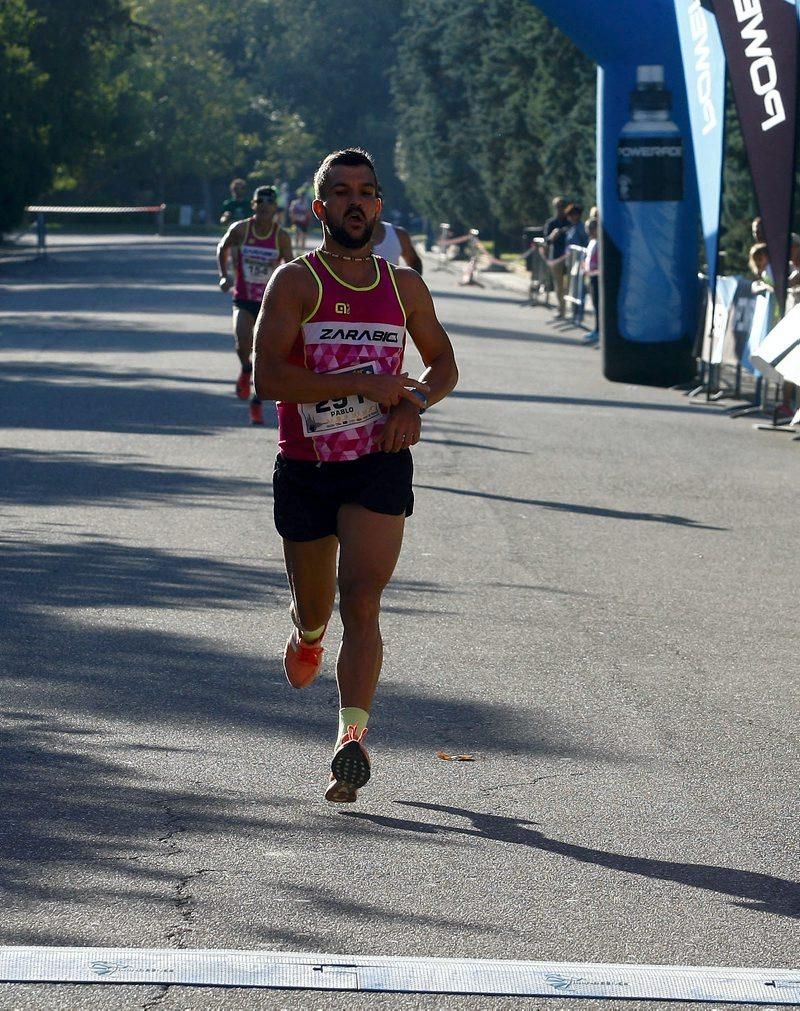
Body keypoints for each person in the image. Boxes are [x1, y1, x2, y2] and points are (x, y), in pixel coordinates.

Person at [252, 148, 458, 803]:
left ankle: (351, 739)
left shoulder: (403, 286)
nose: (355, 202)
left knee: (362, 598)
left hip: (378, 464)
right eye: (341, 193)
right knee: (319, 607)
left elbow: (444, 362)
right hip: (309, 470)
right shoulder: (296, 282)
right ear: (321, 209)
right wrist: (361, 381)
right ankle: (307, 632)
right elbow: (269, 378)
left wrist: (415, 400)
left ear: (378, 208)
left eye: (366, 192)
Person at [217, 186, 293, 424]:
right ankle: (245, 369)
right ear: (254, 206)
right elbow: (223, 248)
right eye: (260, 204)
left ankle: (257, 403)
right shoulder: (241, 229)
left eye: (269, 206)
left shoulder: (281, 236)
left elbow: (291, 267)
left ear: (275, 210)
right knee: (242, 344)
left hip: (268, 303)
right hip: (243, 298)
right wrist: (224, 274)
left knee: (265, 356)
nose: (264, 209)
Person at [542, 196, 570, 319]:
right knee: (558, 285)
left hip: (569, 257)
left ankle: (569, 308)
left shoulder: (569, 223)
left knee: (567, 285)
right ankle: (561, 309)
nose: (560, 209)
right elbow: (546, 241)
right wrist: (552, 237)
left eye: (562, 207)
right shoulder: (551, 223)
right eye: (558, 207)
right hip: (556, 257)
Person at [582, 217, 600, 345]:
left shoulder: (599, 243)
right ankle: (597, 329)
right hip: (591, 276)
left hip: (597, 277)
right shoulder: (592, 242)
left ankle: (599, 330)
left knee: (598, 306)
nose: (589, 232)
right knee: (595, 305)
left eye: (591, 229)